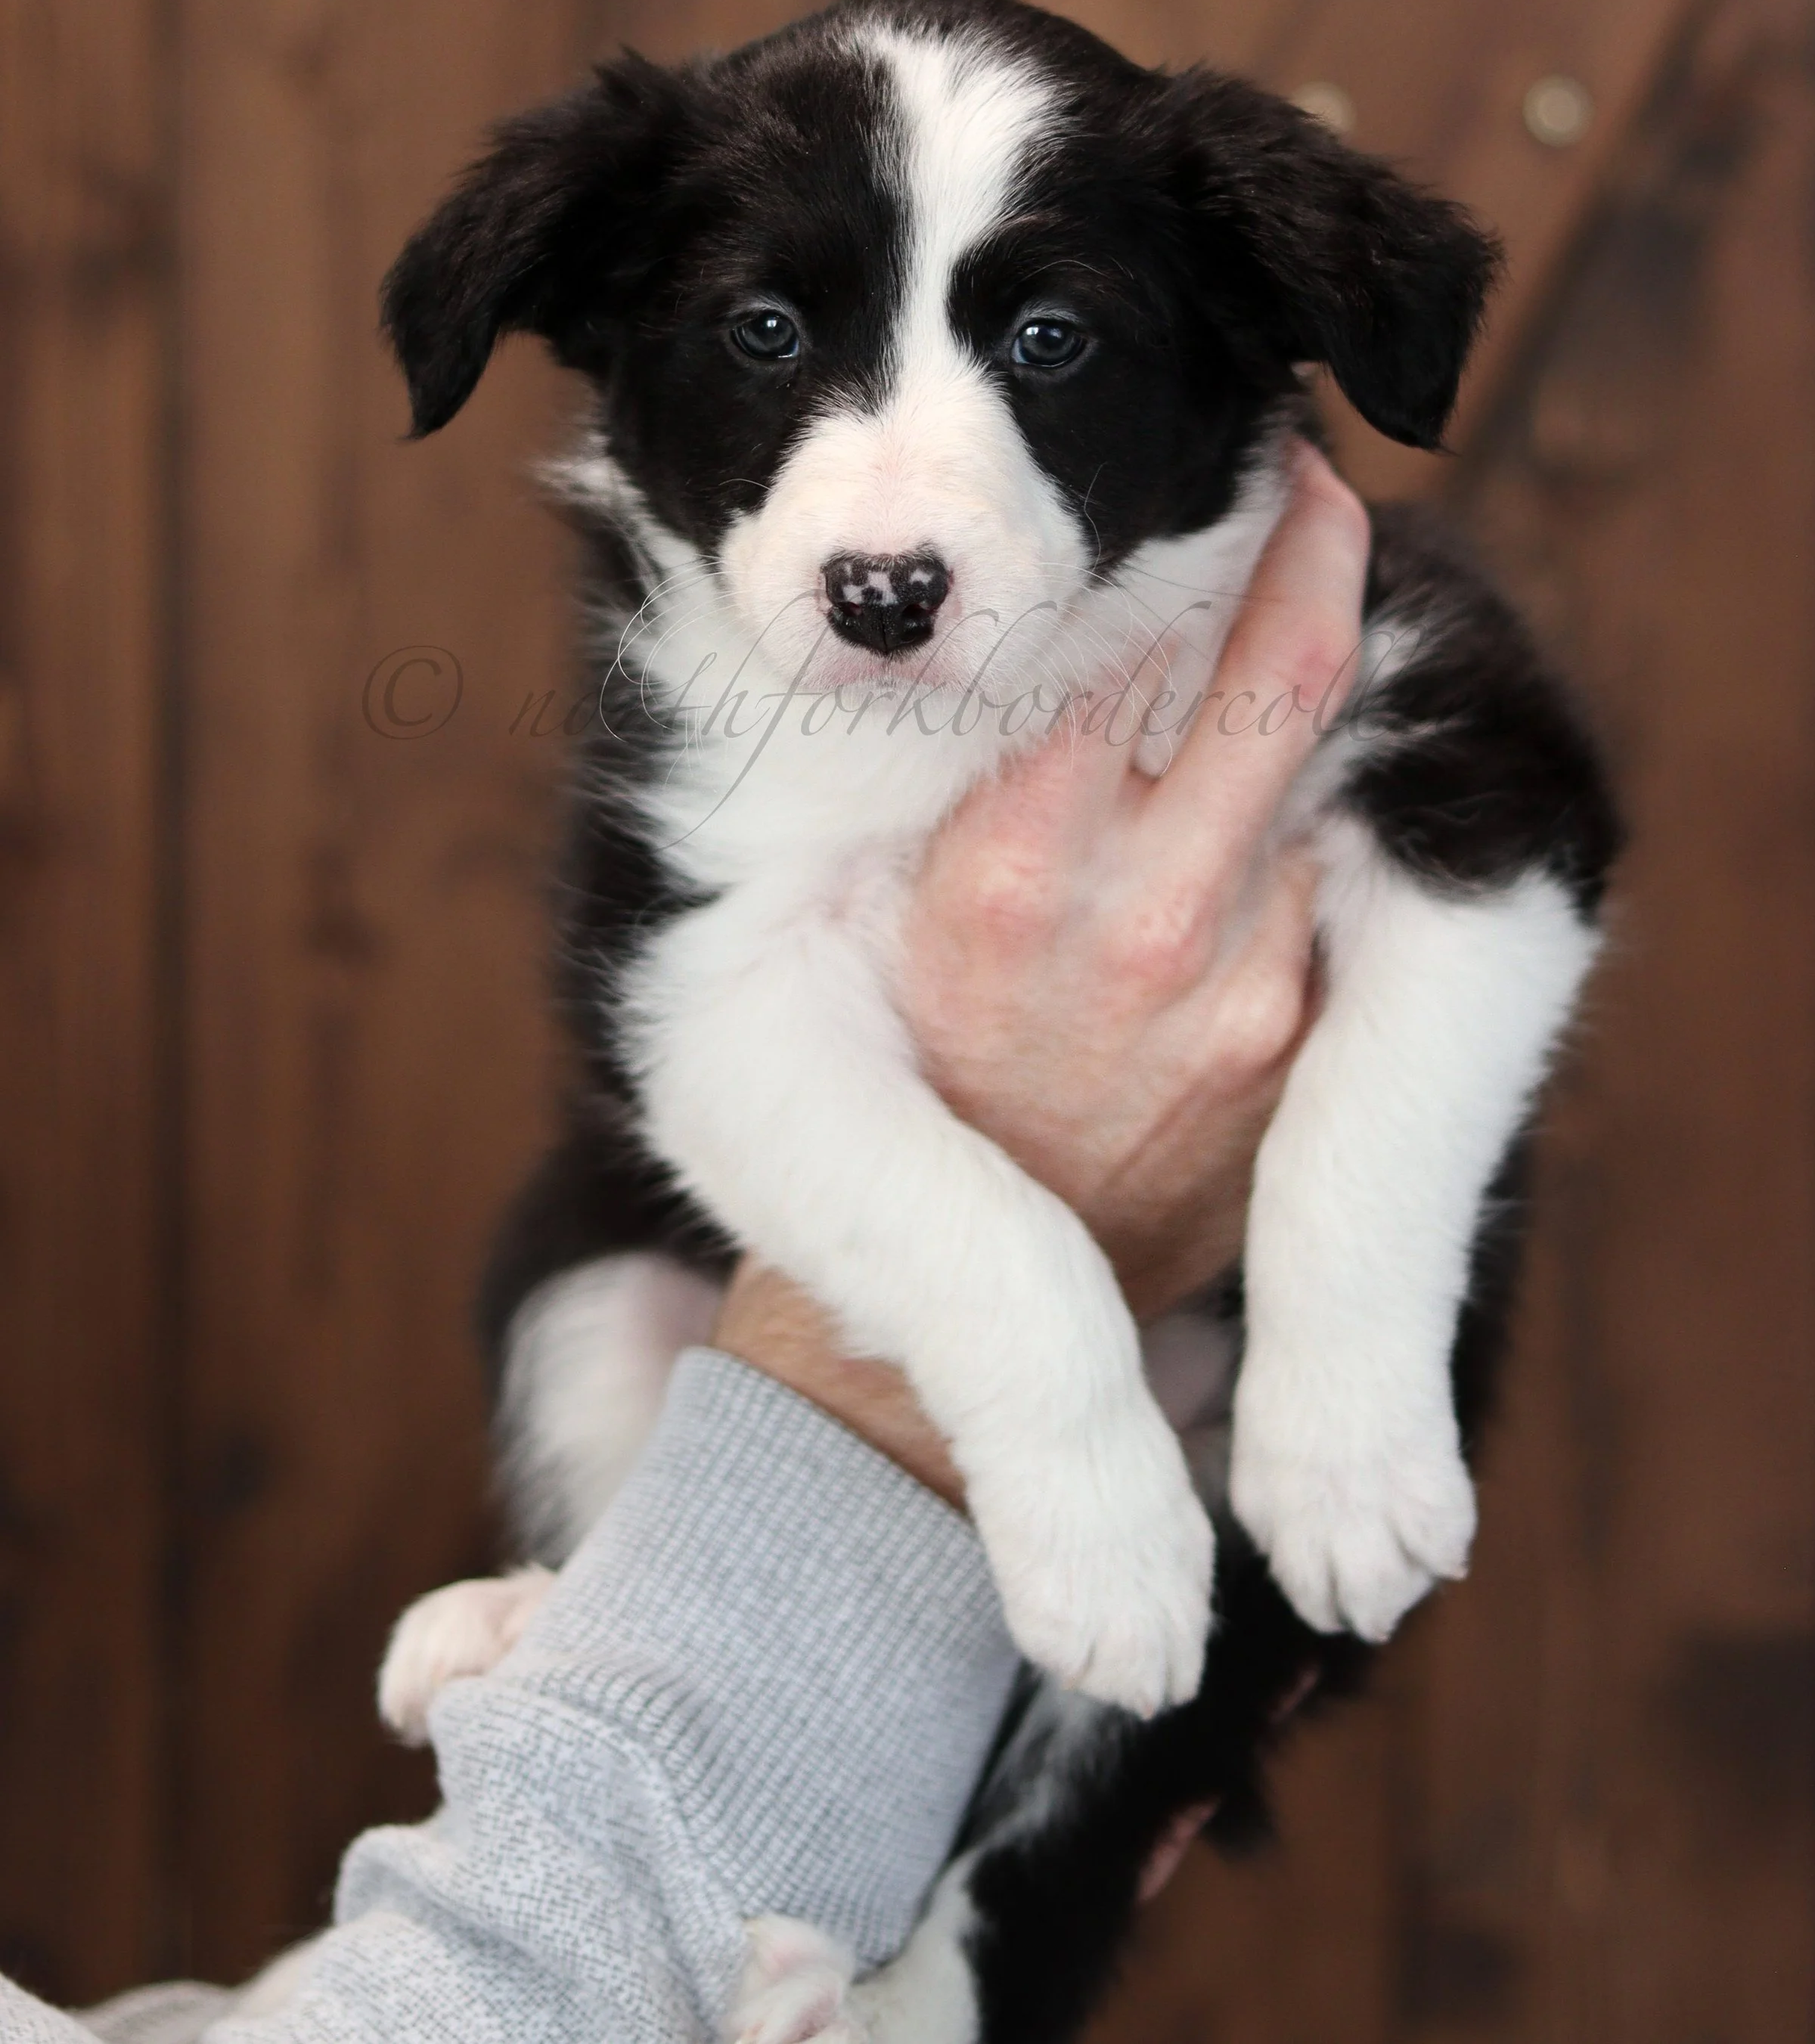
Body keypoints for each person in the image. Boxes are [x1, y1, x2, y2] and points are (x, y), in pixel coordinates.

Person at [4, 448, 1370, 2044]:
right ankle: (632, 1617)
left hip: (1202, 1448)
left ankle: (962, 1926)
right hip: (905, 1429)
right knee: (579, 1270)